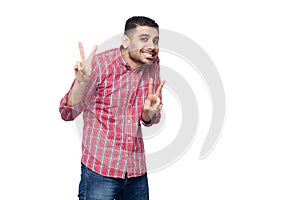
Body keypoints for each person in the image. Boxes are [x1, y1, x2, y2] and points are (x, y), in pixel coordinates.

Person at [59, 16, 165, 200]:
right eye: (144, 38)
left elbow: (147, 120)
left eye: (155, 40)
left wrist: (150, 113)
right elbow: (67, 113)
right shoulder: (99, 65)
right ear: (126, 41)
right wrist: (81, 83)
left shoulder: (152, 64)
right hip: (100, 171)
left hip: (135, 170)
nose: (152, 46)